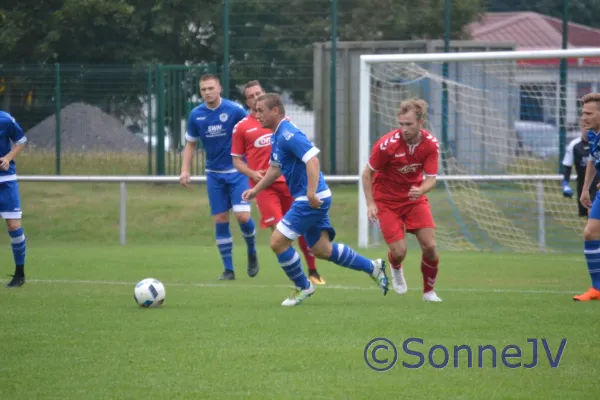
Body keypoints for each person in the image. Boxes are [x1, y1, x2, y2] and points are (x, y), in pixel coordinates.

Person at [242, 93, 389, 307]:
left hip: (309, 199)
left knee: (277, 242)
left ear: (275, 111)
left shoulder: (288, 134)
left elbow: (313, 161)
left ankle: (304, 286)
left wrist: (310, 193)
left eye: (260, 110)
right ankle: (372, 267)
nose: (256, 115)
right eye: (255, 111)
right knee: (322, 250)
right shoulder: (276, 135)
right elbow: (275, 169)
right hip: (312, 197)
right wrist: (256, 189)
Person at [231, 80, 325, 285]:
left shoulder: (282, 123)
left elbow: (303, 155)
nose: (255, 98)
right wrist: (252, 174)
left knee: (299, 229)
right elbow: (236, 160)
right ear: (247, 102)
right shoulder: (241, 128)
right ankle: (299, 279)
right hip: (265, 187)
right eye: (250, 96)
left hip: (288, 184)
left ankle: (312, 270)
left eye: (258, 93)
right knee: (279, 233)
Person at [360, 98, 442, 302]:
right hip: (386, 201)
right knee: (399, 252)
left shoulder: (431, 144)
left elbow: (431, 179)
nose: (404, 129)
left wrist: (421, 189)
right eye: (401, 124)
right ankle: (396, 267)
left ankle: (429, 292)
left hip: (413, 199)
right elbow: (366, 173)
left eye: (409, 124)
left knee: (430, 246)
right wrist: (370, 203)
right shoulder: (387, 145)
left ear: (420, 122)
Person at [180, 74, 259, 281]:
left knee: (243, 217)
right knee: (221, 219)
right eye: (203, 89)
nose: (207, 92)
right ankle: (228, 270)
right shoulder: (196, 115)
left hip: (238, 172)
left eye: (210, 88)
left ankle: (251, 250)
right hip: (214, 174)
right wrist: (185, 170)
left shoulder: (234, 110)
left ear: (219, 88)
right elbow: (190, 144)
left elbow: (251, 132)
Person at [575, 92, 600, 301]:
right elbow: (593, 159)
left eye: (589, 113)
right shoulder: (592, 135)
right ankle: (596, 289)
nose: (584, 117)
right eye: (583, 113)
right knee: (590, 233)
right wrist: (585, 189)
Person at [0, 110, 27, 288]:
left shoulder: (5, 119)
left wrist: (8, 158)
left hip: (6, 180)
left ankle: (19, 273)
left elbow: (21, 140)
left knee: (14, 226)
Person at [561, 116, 600, 217]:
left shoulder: (597, 142)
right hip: (583, 186)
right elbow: (567, 165)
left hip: (597, 186)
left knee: (592, 216)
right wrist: (565, 184)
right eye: (584, 126)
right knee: (589, 221)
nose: (586, 129)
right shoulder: (574, 145)